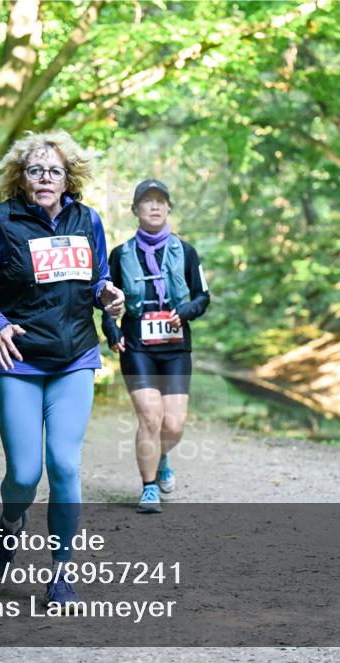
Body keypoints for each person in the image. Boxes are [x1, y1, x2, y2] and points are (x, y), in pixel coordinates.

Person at [0, 130, 124, 608]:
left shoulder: (87, 220)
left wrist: (107, 294)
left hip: (74, 358)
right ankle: (11, 522)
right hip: (18, 361)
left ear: (68, 177)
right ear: (21, 177)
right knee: (25, 475)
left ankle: (61, 573)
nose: (46, 178)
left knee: (65, 466)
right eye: (36, 170)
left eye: (54, 171)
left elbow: (97, 278)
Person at [102, 179, 210, 513]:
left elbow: (203, 297)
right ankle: (149, 488)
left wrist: (186, 311)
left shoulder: (186, 252)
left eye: (160, 201)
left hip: (175, 347)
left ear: (168, 208)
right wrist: (112, 330)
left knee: (173, 424)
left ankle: (161, 457)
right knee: (150, 417)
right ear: (135, 209)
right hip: (137, 345)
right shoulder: (120, 254)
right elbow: (105, 303)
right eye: (147, 201)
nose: (154, 206)